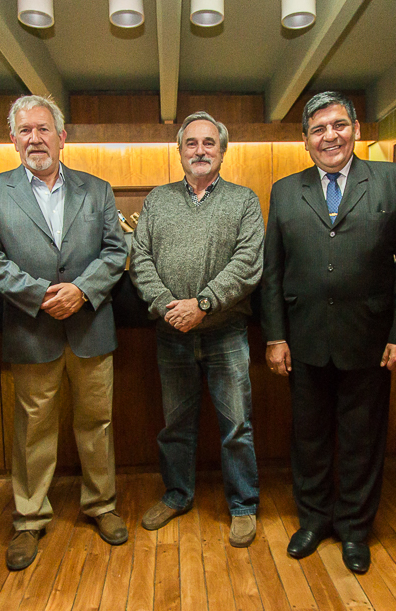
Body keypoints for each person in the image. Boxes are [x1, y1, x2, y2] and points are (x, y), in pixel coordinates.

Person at [260, 91, 396, 574]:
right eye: (318, 129)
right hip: (305, 335)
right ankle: (313, 520)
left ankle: (355, 528)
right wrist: (275, 336)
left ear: (355, 128)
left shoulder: (394, 180)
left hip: (370, 338)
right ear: (305, 141)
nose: (329, 135)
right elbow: (274, 270)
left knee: (362, 438)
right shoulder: (286, 190)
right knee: (308, 438)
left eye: (338, 125)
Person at [0, 95, 128, 569]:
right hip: (30, 328)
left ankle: (101, 505)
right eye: (25, 130)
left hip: (91, 327)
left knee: (96, 423)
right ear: (12, 139)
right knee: (32, 428)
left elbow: (116, 251)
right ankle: (28, 520)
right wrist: (42, 294)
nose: (35, 138)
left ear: (62, 137)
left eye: (44, 129)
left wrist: (80, 291)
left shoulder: (96, 189)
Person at [131, 111, 262, 548]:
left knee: (236, 426)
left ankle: (244, 505)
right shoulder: (158, 199)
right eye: (192, 143)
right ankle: (177, 495)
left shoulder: (244, 200)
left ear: (223, 151)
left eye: (209, 143)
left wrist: (203, 304)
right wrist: (169, 307)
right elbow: (141, 258)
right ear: (180, 151)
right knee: (175, 424)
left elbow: (248, 264)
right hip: (172, 332)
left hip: (226, 333)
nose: (200, 150)